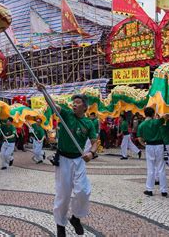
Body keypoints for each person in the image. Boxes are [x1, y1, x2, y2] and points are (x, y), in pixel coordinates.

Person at [50, 93, 98, 237]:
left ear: (85, 107)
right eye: (74, 102)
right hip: (63, 159)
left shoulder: (89, 123)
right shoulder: (66, 115)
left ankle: (76, 218)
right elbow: (53, 106)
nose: (74, 104)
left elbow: (95, 143)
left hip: (79, 161)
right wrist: (44, 91)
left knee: (83, 191)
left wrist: (91, 154)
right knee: (63, 195)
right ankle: (60, 225)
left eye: (78, 102)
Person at [137, 107, 167, 197]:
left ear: (145, 114)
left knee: (151, 168)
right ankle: (163, 190)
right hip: (159, 145)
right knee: (161, 168)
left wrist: (144, 145)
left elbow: (139, 139)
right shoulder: (157, 122)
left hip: (149, 146)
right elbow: (166, 116)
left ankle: (149, 189)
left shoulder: (141, 125)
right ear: (153, 114)